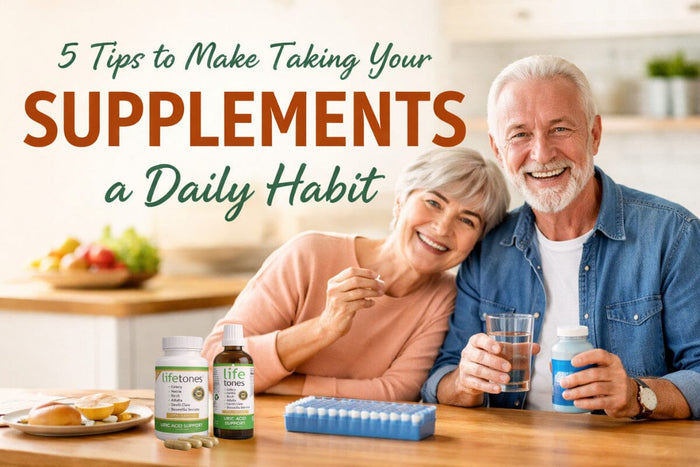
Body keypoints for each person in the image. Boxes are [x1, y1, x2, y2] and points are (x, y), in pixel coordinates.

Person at [422, 55, 700, 420]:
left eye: (560, 129)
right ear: (498, 150)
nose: (541, 154)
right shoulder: (487, 247)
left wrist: (637, 394)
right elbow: (440, 376)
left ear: (594, 134)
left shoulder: (672, 234)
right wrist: (464, 381)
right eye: (520, 134)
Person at [201, 147, 510, 401]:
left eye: (467, 221)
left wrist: (268, 384)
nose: (443, 228)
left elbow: (395, 393)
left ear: (478, 240)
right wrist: (324, 328)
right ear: (400, 201)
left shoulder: (445, 298)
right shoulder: (308, 254)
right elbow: (216, 364)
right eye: (433, 202)